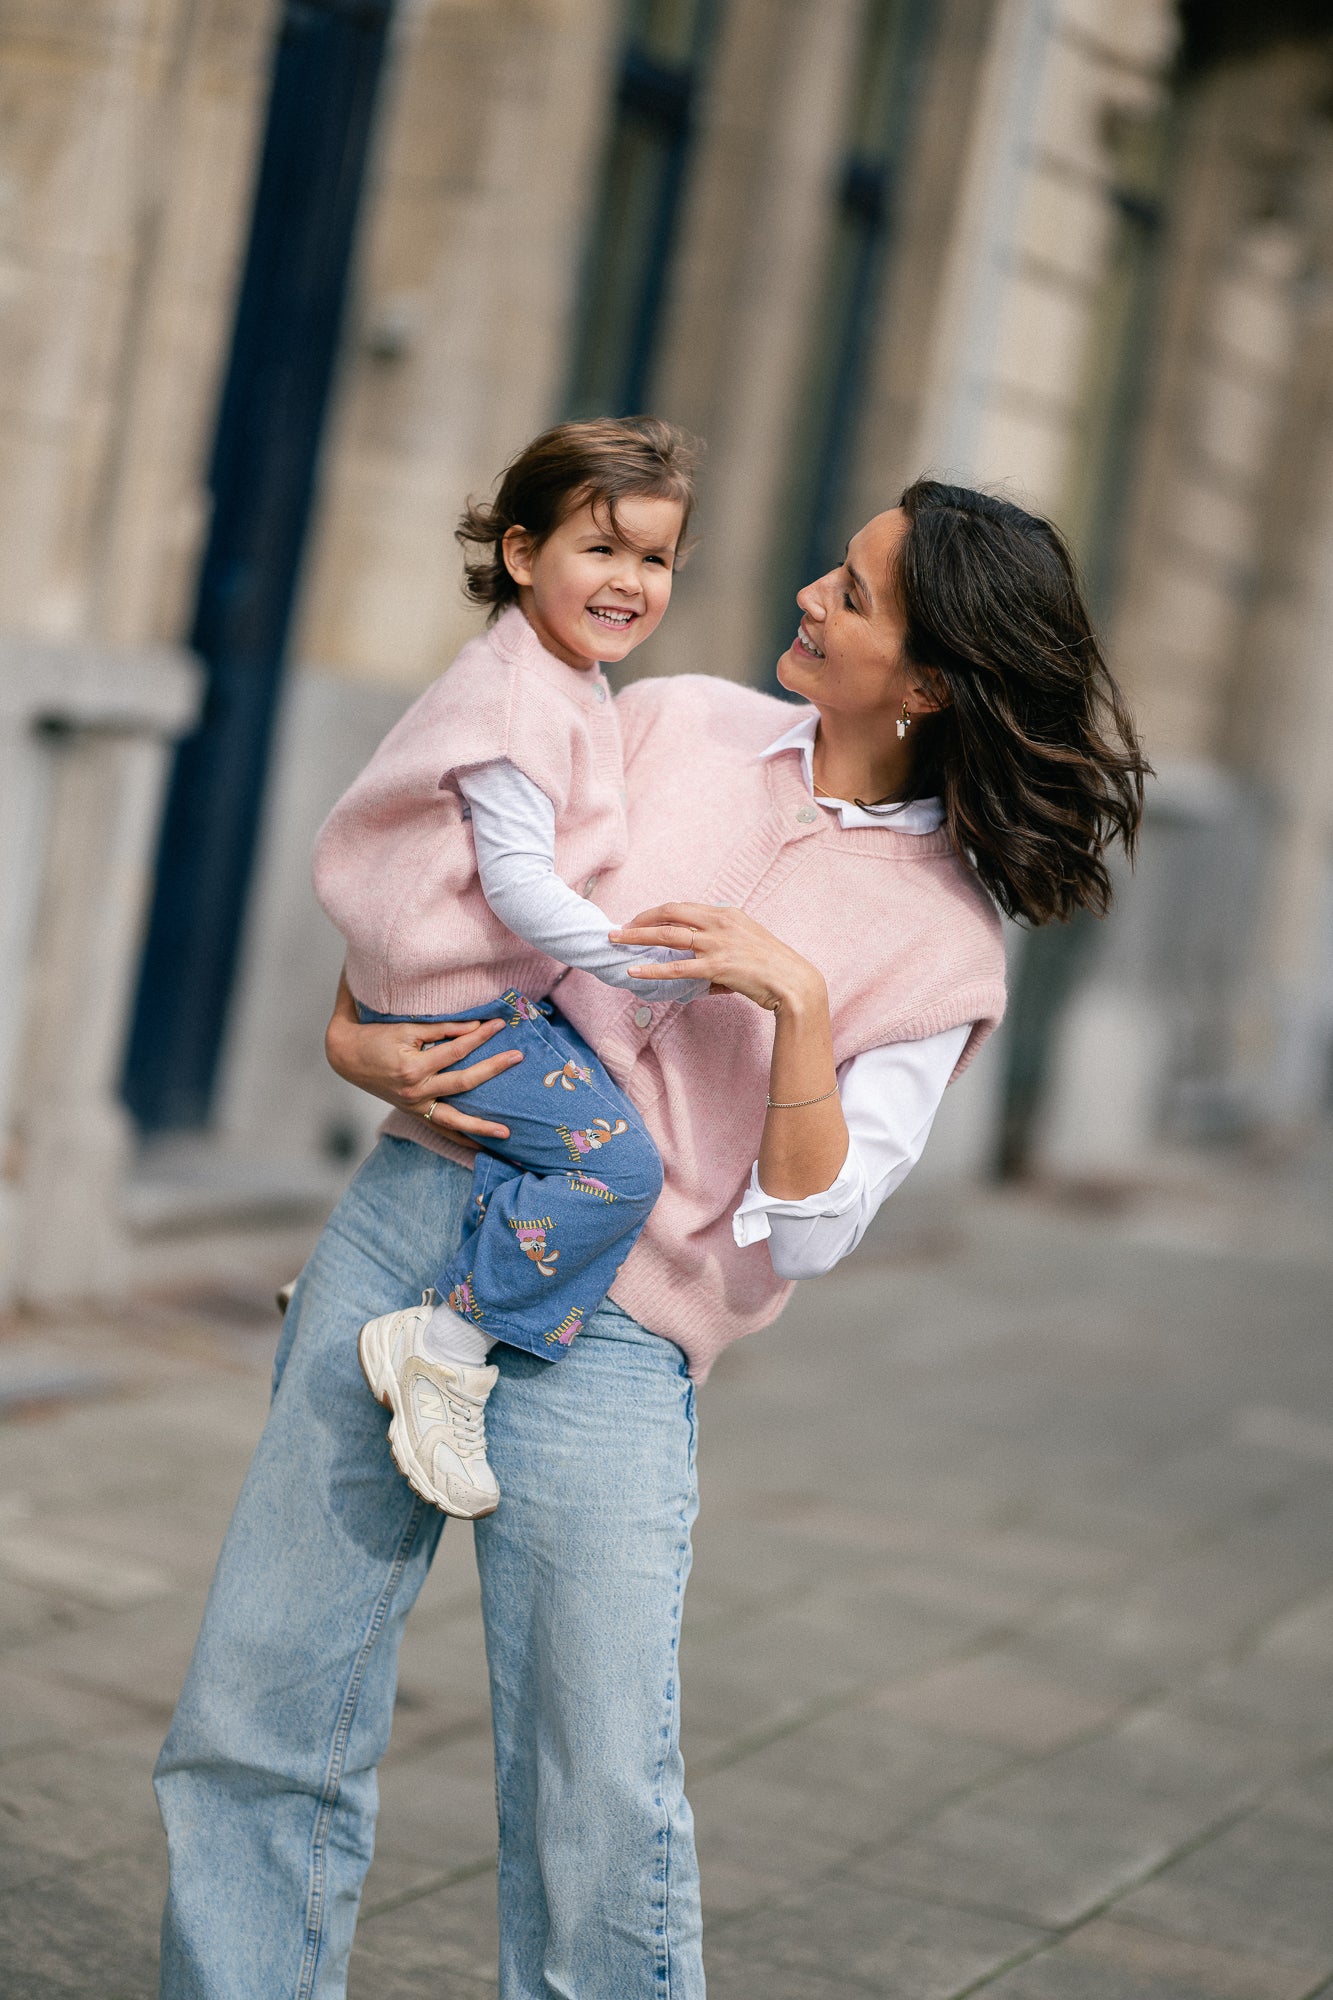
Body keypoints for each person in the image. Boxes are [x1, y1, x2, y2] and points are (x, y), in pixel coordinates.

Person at [154, 481, 1146, 2000]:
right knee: (261, 1706)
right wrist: (354, 1033)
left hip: (619, 1336)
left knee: (598, 1800)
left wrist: (793, 998)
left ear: (934, 680)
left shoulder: (946, 942)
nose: (810, 593)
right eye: (834, 567)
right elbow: (454, 880)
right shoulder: (674, 720)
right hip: (417, 1218)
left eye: (856, 594)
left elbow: (811, 1227)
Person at [312, 416, 706, 1519]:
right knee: (615, 1167)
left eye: (655, 557)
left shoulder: (551, 671)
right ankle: (441, 1345)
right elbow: (520, 882)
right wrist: (636, 964)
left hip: (463, 988)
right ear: (523, 552)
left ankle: (365, 1291)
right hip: (461, 999)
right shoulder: (518, 700)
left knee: (565, 1125)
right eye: (601, 547)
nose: (629, 579)